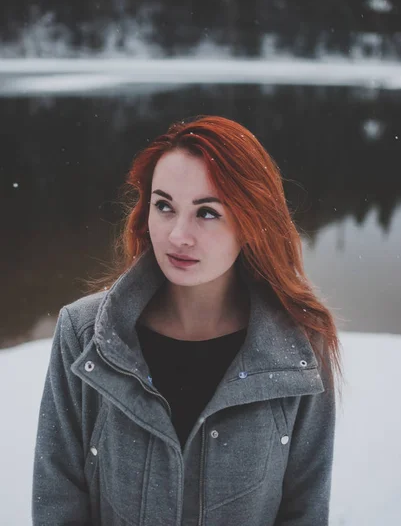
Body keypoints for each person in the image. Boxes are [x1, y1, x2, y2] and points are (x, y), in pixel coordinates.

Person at [32, 115, 342, 526]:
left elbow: (305, 511)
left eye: (207, 212)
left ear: (252, 221)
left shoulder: (300, 348)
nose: (179, 235)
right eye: (164, 206)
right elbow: (58, 500)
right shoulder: (86, 335)